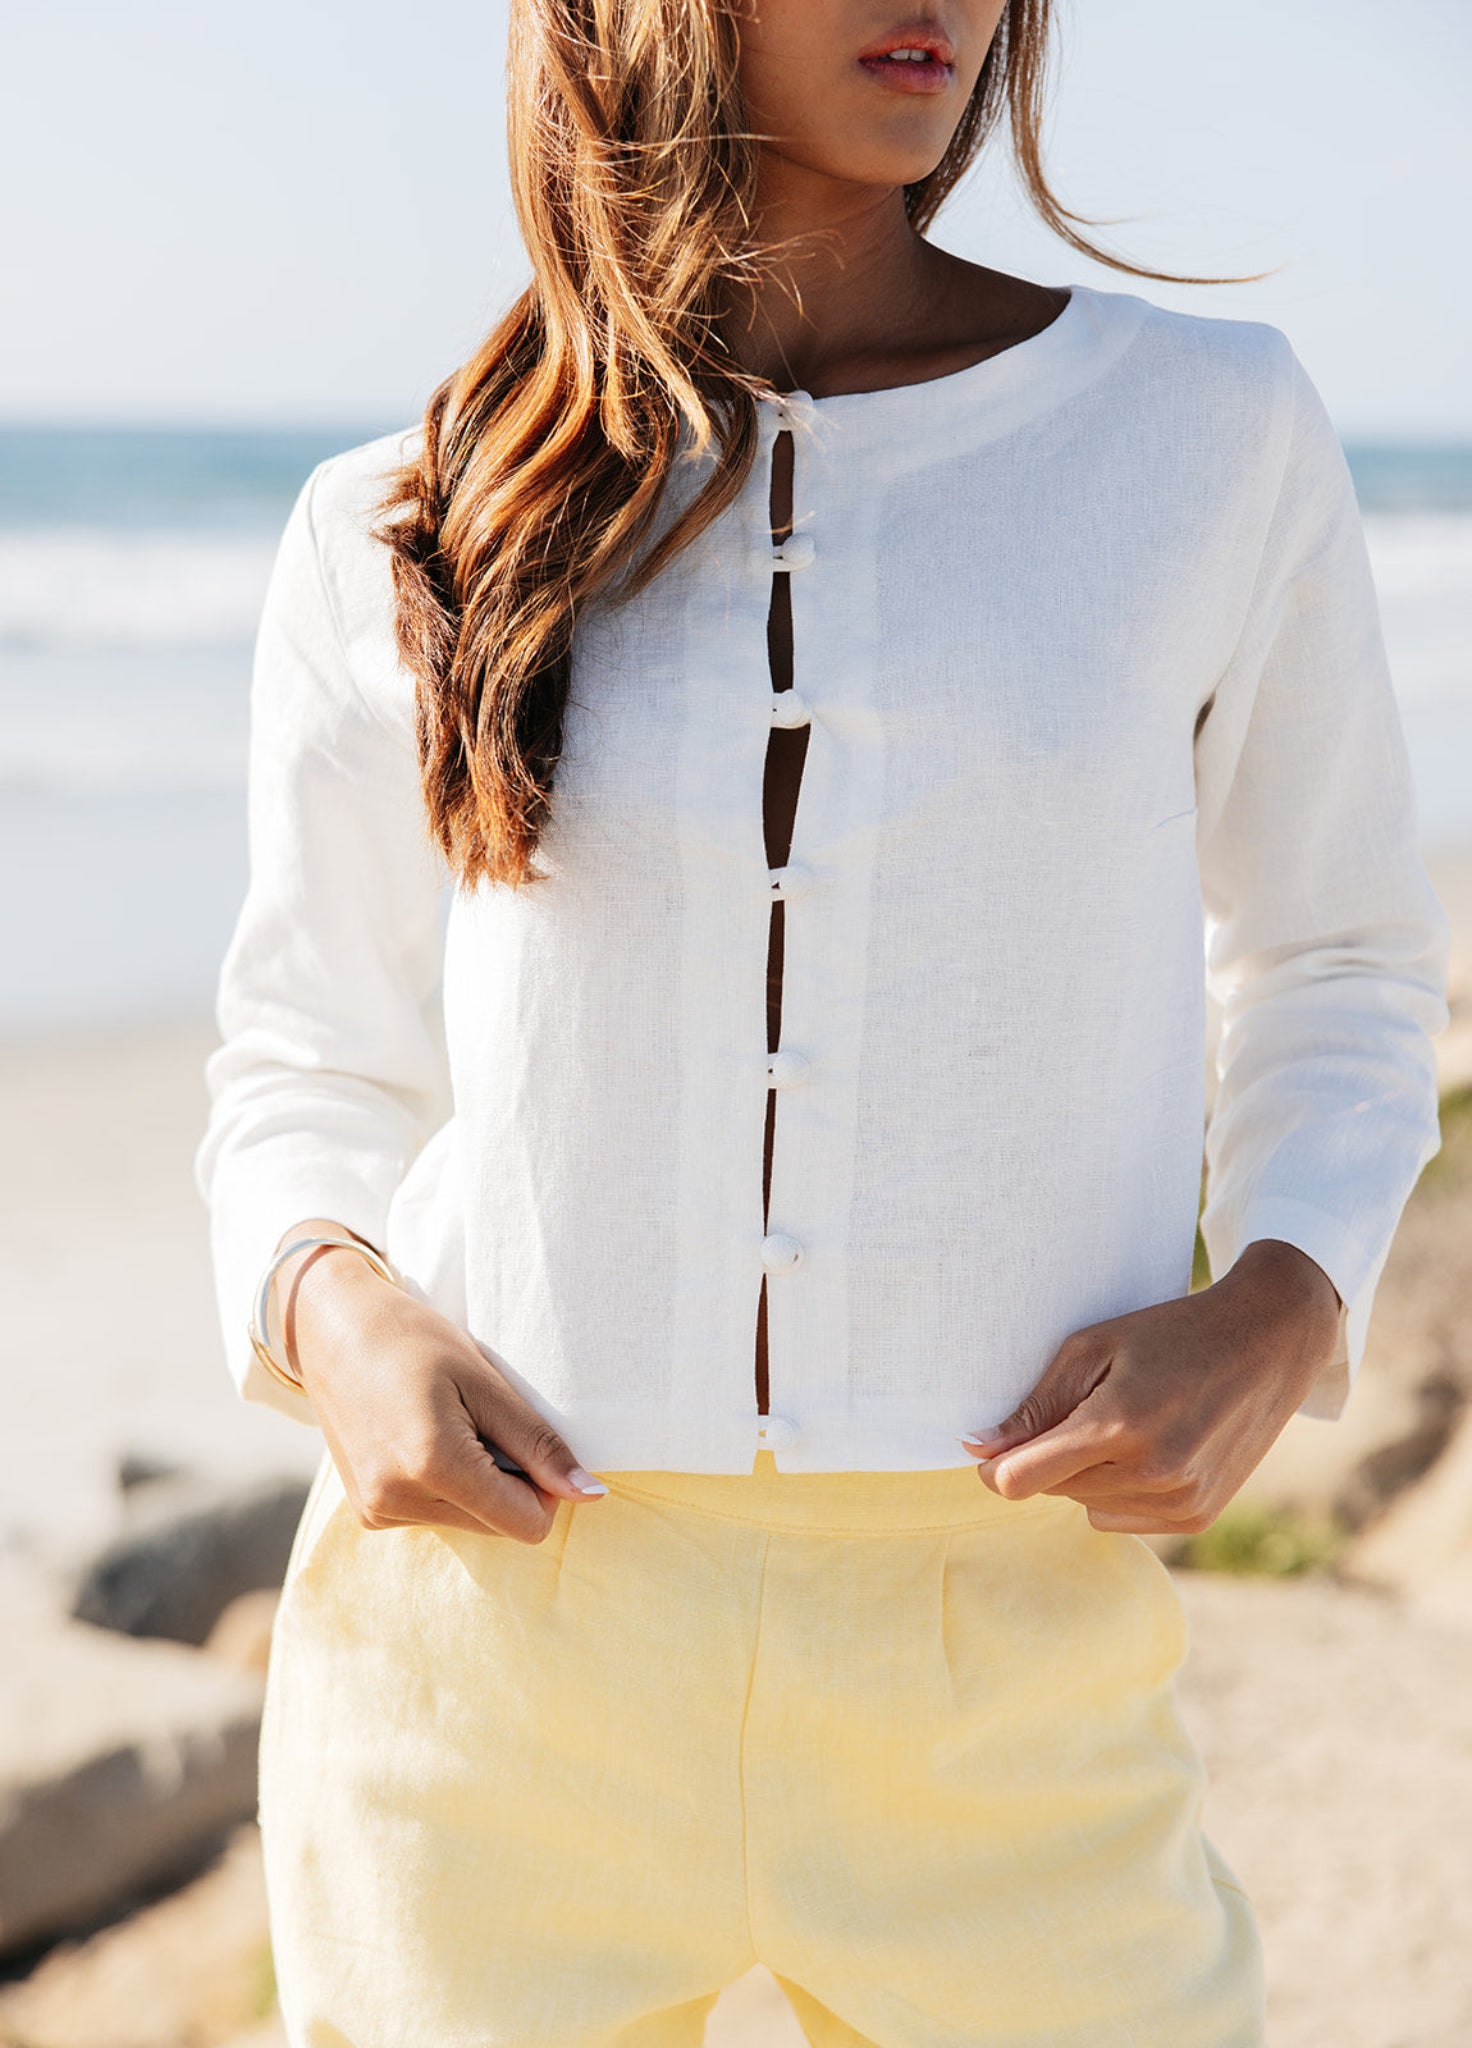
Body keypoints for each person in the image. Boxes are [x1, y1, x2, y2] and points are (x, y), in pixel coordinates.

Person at [194, 2, 1451, 2043]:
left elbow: (1341, 959)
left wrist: (1285, 1300)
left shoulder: (1202, 437)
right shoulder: (410, 510)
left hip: (1006, 1647)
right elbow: (302, 1056)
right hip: (491, 1654)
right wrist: (333, 1310)